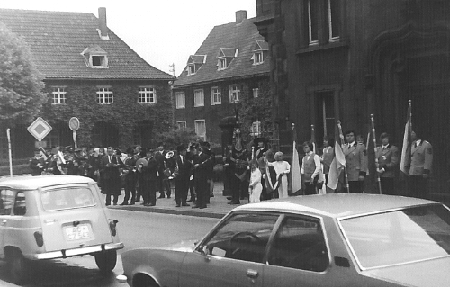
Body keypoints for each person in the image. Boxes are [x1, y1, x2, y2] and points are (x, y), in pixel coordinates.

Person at [405, 130, 433, 199]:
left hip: (420, 173)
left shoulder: (426, 144)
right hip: (412, 171)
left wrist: (426, 171)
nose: (411, 134)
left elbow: (428, 159)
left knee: (420, 192)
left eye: (413, 133)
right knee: (412, 192)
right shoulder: (411, 144)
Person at [229, 133, 249, 204]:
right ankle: (234, 198)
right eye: (236, 139)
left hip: (242, 169)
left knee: (243, 184)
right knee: (233, 185)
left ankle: (243, 196)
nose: (237, 140)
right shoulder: (232, 150)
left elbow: (246, 160)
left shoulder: (244, 150)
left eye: (239, 138)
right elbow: (229, 158)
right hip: (234, 169)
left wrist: (237, 161)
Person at [192, 144, 211, 209]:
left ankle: (203, 203)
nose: (194, 151)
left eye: (194, 149)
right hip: (196, 175)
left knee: (203, 190)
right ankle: (198, 203)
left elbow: (208, 167)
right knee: (197, 190)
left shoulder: (205, 156)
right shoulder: (195, 157)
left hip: (203, 175)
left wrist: (199, 165)